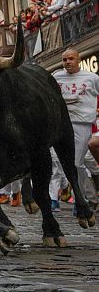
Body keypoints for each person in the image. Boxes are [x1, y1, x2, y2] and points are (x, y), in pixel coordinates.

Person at [53, 49, 99, 212]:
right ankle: (86, 197)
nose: (67, 62)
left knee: (76, 163)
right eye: (64, 59)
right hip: (61, 124)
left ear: (78, 59)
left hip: (82, 124)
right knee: (61, 163)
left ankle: (86, 198)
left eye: (71, 59)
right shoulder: (56, 77)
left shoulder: (92, 78)